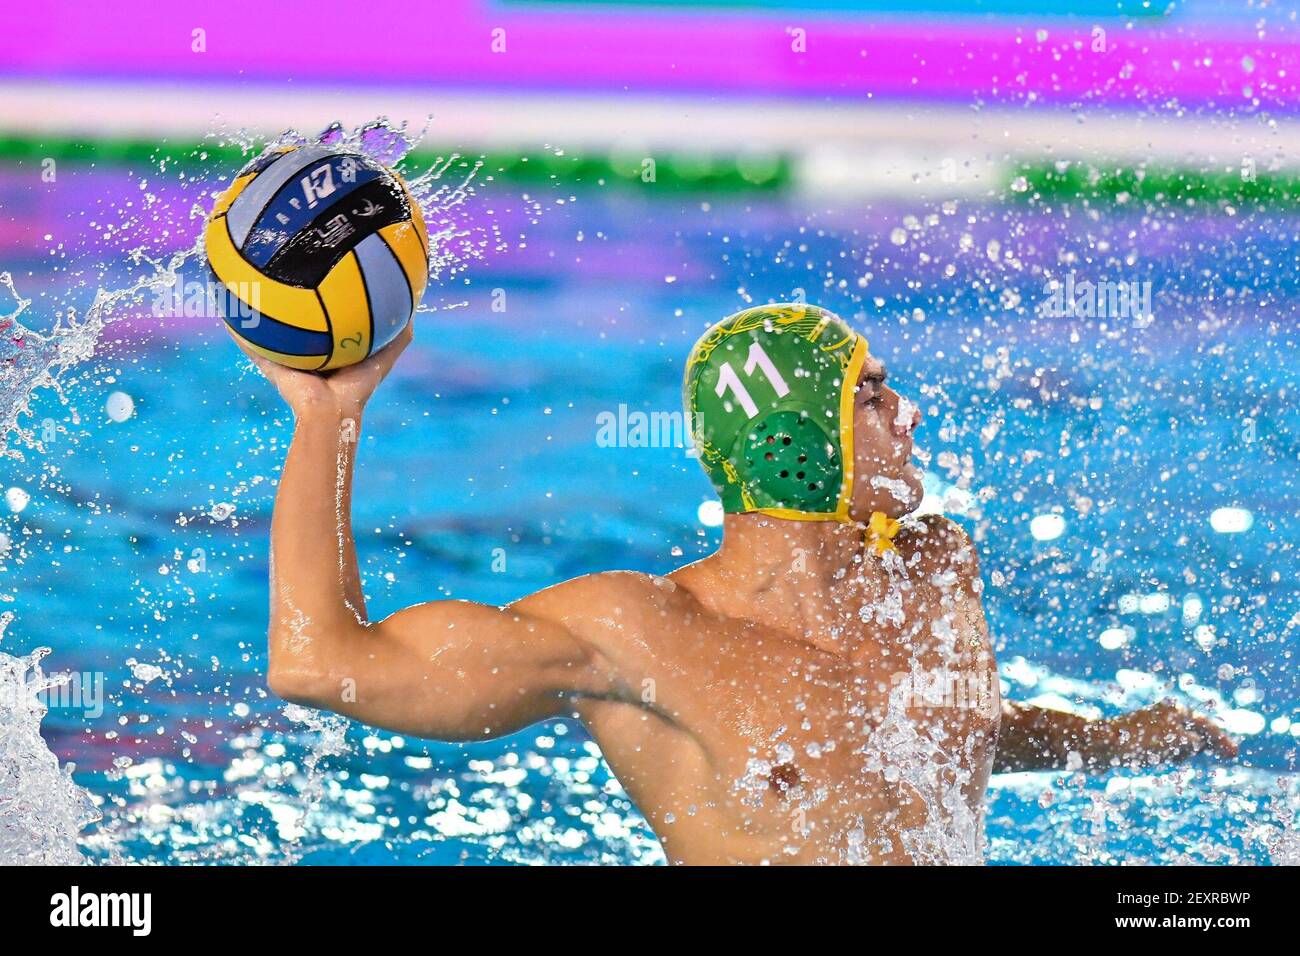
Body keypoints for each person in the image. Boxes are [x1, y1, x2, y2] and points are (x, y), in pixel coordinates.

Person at [241, 303, 1237, 865]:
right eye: (872, 393)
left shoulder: (933, 573)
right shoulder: (633, 630)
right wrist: (329, 415)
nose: (913, 412)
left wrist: (1112, 740)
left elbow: (933, 738)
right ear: (791, 433)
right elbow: (320, 660)